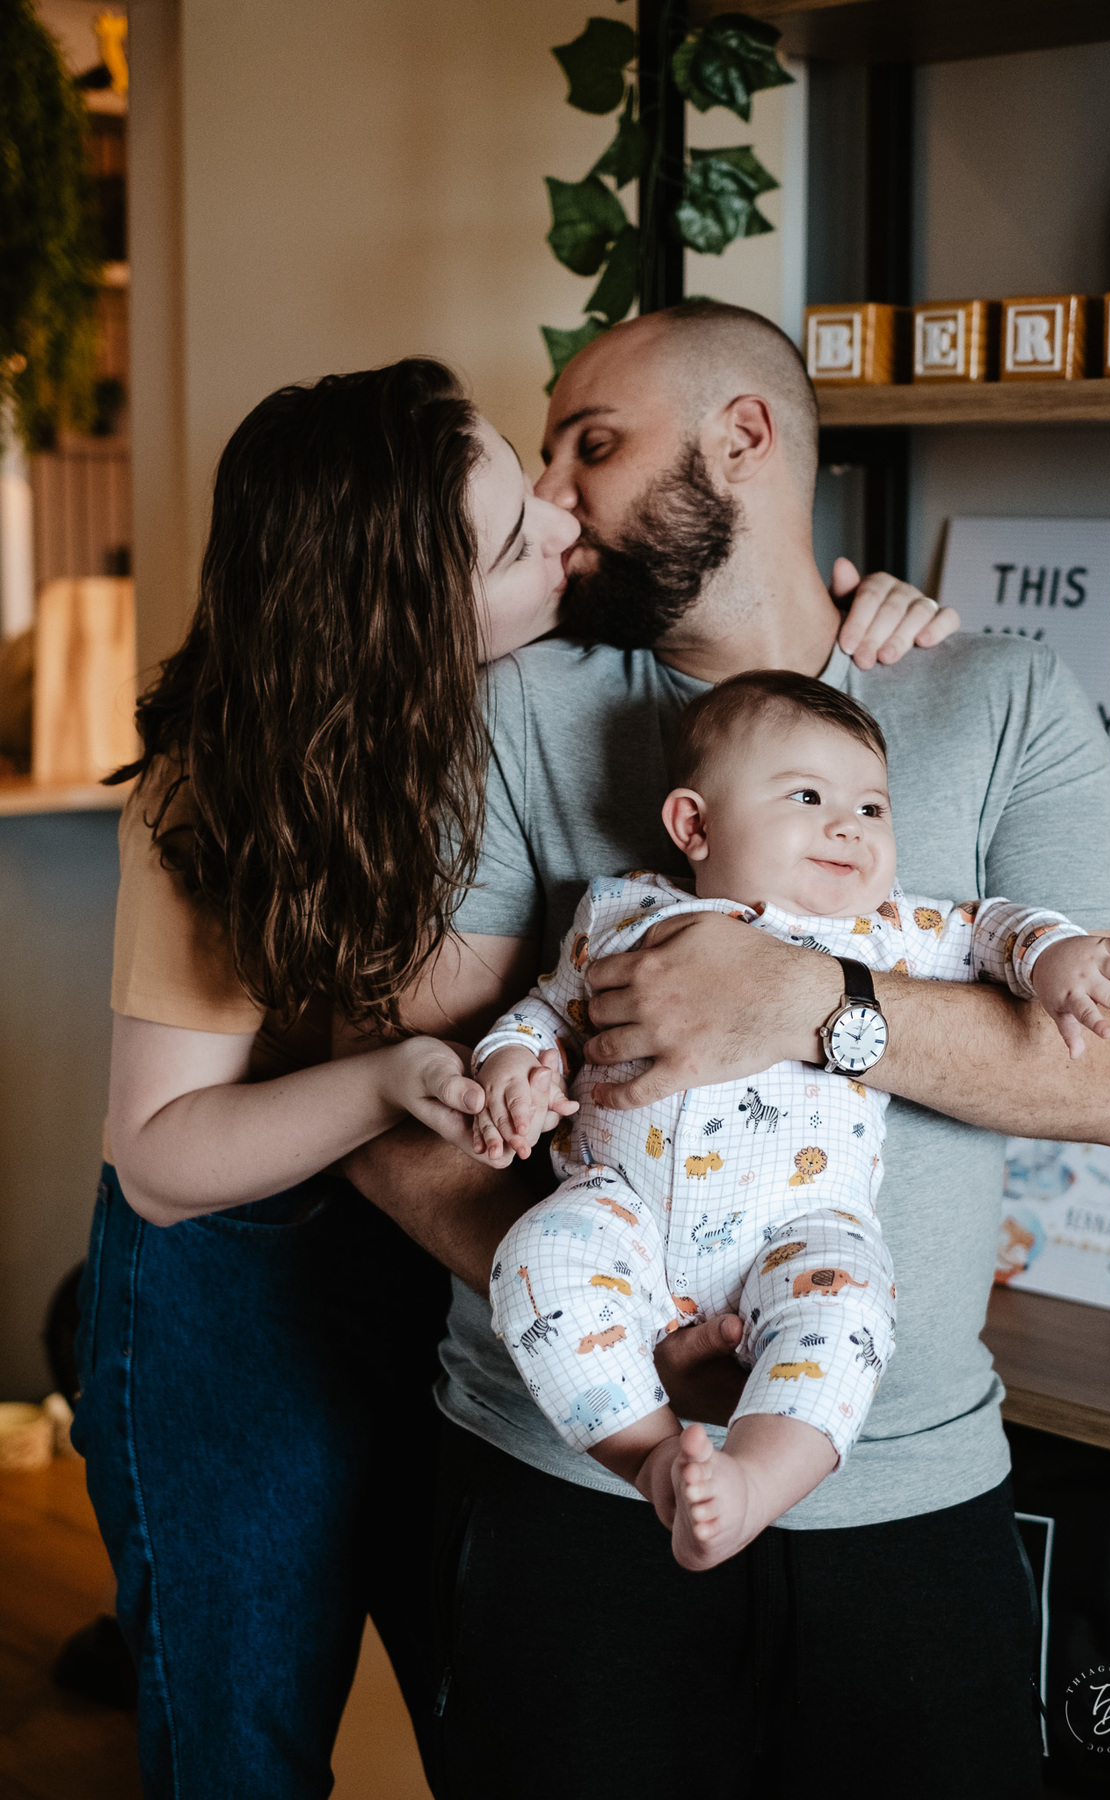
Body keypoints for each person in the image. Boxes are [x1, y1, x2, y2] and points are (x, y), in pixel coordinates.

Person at [71, 351, 941, 1799]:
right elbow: (159, 1158)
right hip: (235, 1280)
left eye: (538, 477)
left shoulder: (538, 693)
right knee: (242, 1745)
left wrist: (872, 621)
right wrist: (387, 1078)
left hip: (481, 1273)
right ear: (409, 610)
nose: (557, 515)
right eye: (512, 531)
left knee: (493, 1729)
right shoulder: (215, 789)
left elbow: (749, 637)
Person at [344, 302, 1110, 1799]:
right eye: (548, 456)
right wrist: (611, 1340)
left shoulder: (1001, 698)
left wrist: (807, 1003)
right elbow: (385, 1103)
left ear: (746, 439)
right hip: (566, 1483)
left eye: (594, 445)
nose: (554, 496)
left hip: (905, 1483)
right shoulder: (520, 711)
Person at [470, 671, 1110, 1570]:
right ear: (695, 825)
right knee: (535, 1259)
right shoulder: (622, 912)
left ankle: (754, 1479)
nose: (851, 826)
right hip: (621, 1210)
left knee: (850, 1316)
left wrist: (1057, 957)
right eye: (808, 797)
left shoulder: (882, 931)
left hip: (798, 1231)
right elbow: (549, 1011)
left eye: (873, 807)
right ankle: (651, 1463)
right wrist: (512, 1067)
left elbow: (987, 929)